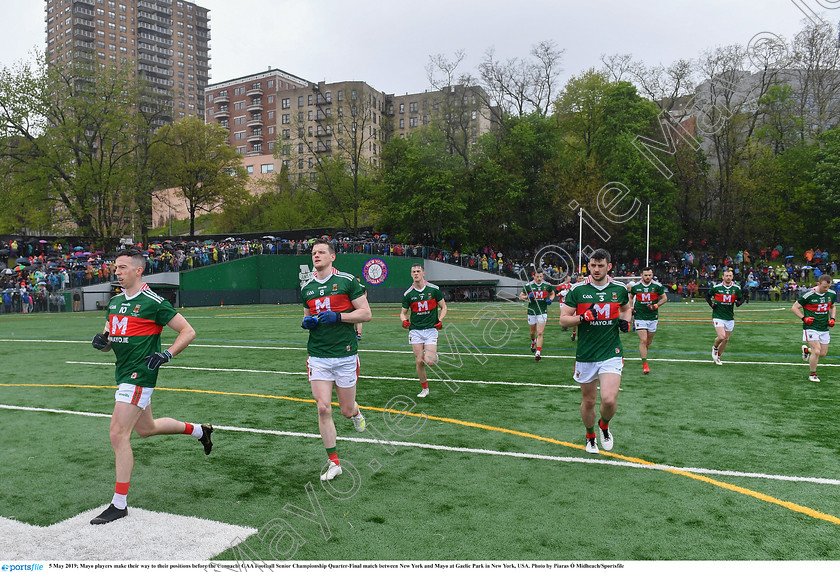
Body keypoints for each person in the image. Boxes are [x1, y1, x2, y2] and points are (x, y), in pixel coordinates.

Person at [89, 249, 208, 525]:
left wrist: (167, 354)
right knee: (146, 429)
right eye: (115, 268)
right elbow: (109, 342)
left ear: (138, 270)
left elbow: (188, 331)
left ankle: (119, 504)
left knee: (118, 435)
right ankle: (200, 431)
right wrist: (102, 343)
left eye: (122, 268)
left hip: (140, 374)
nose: (116, 272)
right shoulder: (115, 302)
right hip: (122, 373)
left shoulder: (153, 301)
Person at [301, 239, 371, 481]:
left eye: (321, 252)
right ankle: (334, 463)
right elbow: (308, 316)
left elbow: (366, 313)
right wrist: (306, 322)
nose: (316, 255)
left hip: (345, 354)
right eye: (313, 252)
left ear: (332, 257)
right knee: (322, 408)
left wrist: (339, 317)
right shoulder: (307, 288)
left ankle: (357, 412)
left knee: (346, 410)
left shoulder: (347, 281)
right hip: (318, 355)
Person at [559, 249, 632, 454]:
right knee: (589, 401)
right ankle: (590, 435)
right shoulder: (577, 290)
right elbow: (564, 319)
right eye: (593, 265)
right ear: (588, 266)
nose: (596, 269)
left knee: (609, 399)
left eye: (601, 265)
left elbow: (626, 308)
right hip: (586, 354)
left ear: (609, 266)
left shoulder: (619, 289)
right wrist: (582, 318)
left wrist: (626, 322)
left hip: (611, 351)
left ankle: (604, 426)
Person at [400, 264, 447, 398]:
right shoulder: (408, 294)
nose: (416, 273)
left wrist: (440, 320)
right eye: (413, 271)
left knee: (429, 361)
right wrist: (404, 320)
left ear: (423, 273)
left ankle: (434, 357)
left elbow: (444, 307)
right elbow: (403, 313)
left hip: (431, 330)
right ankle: (424, 389)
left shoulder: (434, 290)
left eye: (418, 271)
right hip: (415, 331)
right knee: (419, 361)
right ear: (411, 274)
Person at [792, 274, 836, 382]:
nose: (826, 289)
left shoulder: (831, 294)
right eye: (824, 287)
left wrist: (832, 318)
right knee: (816, 351)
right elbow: (794, 307)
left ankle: (806, 350)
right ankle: (813, 374)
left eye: (828, 287)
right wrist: (804, 318)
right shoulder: (808, 295)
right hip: (811, 327)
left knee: (822, 353)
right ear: (818, 284)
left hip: (824, 327)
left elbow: (832, 306)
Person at [627, 267, 668, 374]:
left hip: (652, 317)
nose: (648, 277)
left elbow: (664, 298)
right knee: (643, 340)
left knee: (648, 342)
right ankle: (645, 364)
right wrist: (631, 308)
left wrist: (656, 305)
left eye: (649, 275)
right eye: (646, 275)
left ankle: (644, 353)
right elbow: (630, 298)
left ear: (652, 275)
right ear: (642, 275)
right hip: (640, 316)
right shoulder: (636, 287)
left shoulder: (657, 286)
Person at [706, 268, 744, 365]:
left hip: (729, 317)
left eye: (730, 276)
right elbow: (707, 296)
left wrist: (739, 302)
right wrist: (711, 304)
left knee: (726, 339)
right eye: (726, 276)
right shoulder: (717, 287)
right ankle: (715, 347)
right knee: (722, 336)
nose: (728, 277)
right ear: (723, 277)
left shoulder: (736, 288)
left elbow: (741, 298)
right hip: (718, 315)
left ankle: (718, 357)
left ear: (732, 277)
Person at [519, 269, 556, 361]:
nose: (539, 278)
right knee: (532, 333)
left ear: (543, 276)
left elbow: (552, 293)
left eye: (540, 276)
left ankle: (538, 352)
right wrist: (527, 297)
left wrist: (550, 299)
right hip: (532, 311)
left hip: (542, 311)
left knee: (539, 332)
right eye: (537, 276)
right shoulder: (528, 286)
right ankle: (533, 341)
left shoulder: (547, 285)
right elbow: (520, 297)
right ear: (534, 276)